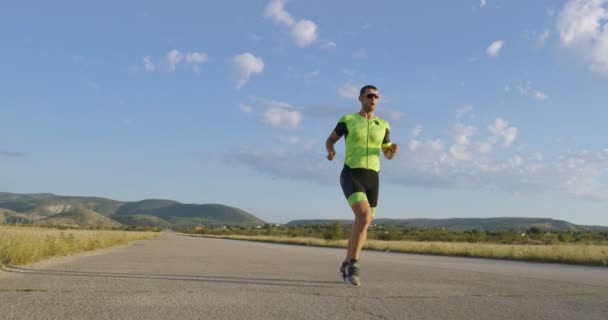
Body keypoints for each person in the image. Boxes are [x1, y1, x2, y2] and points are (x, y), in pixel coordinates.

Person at [325, 84, 399, 286]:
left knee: (364, 222)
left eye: (376, 96)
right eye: (369, 95)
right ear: (361, 98)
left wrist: (392, 150)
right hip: (351, 173)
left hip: (372, 177)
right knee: (364, 215)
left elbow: (387, 153)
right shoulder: (348, 120)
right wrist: (331, 151)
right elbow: (330, 140)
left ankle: (347, 262)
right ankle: (354, 265)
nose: (373, 99)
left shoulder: (383, 124)